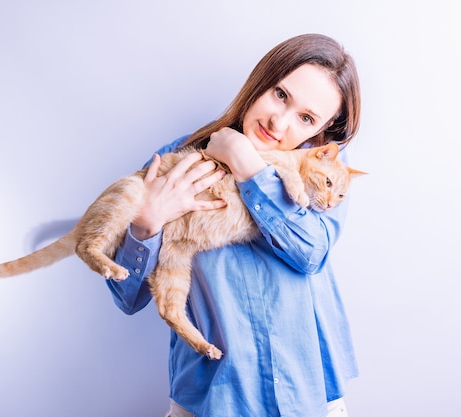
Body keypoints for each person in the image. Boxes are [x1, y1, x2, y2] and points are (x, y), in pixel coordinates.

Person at [108, 33, 361, 417]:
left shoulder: (323, 175)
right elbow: (128, 298)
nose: (279, 122)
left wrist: (249, 166)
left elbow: (310, 253)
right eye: (280, 94)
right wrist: (146, 224)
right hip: (213, 399)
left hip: (308, 398)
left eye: (306, 118)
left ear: (321, 130)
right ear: (262, 80)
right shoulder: (179, 159)